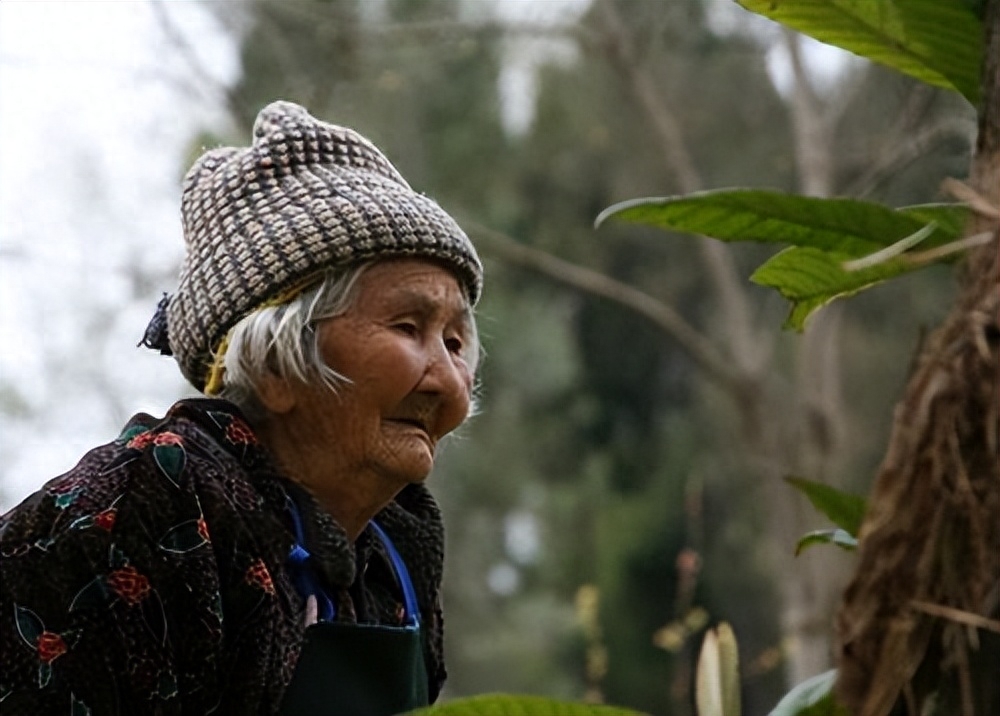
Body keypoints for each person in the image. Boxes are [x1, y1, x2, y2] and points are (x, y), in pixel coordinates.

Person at [0, 101, 483, 715]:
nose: (446, 379)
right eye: (408, 326)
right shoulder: (151, 507)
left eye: (455, 341)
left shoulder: (397, 553)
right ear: (276, 364)